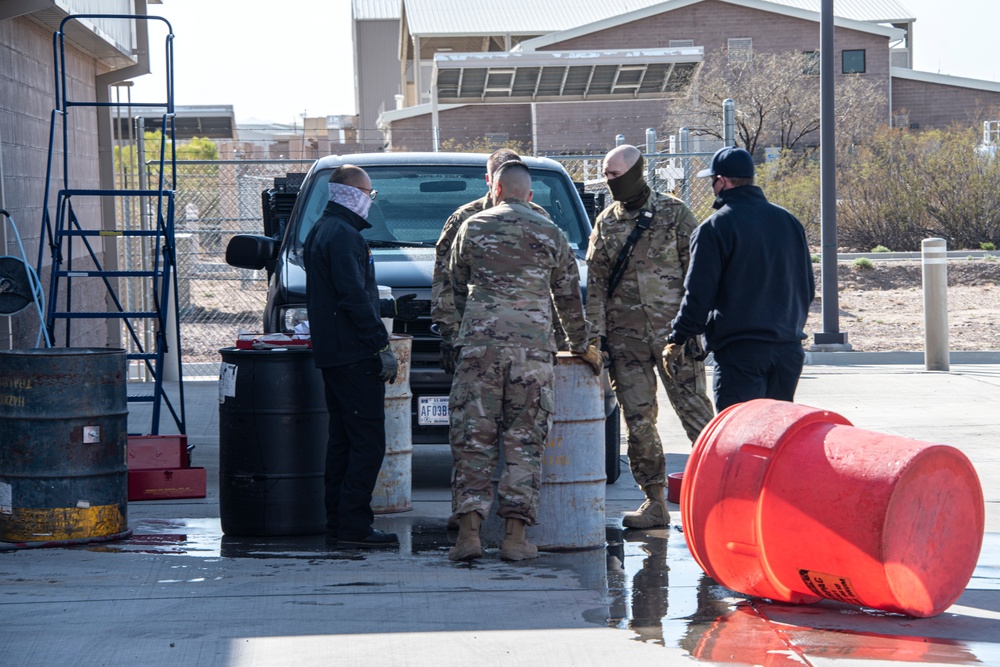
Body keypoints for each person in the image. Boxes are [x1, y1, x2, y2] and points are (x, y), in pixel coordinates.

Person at [446, 161, 601, 562]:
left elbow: (455, 285)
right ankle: (515, 539)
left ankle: (469, 536)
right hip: (532, 353)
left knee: (473, 439)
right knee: (524, 441)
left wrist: (467, 332)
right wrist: (582, 344)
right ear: (529, 196)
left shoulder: (472, 226)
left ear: (495, 189)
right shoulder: (550, 232)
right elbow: (569, 298)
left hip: (480, 349)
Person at [586, 144, 715, 530]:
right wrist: (597, 338)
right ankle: (654, 501)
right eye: (606, 175)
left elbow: (699, 274)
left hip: (674, 336)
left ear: (636, 171)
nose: (610, 182)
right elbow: (595, 285)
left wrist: (696, 327)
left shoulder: (674, 213)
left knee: (697, 416)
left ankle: (722, 498)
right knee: (639, 422)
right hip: (626, 341)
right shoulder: (606, 223)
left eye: (615, 174)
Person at [664, 146, 815, 411]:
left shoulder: (714, 227)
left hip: (741, 352)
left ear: (721, 181)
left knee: (740, 439)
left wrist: (679, 335)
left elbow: (699, 293)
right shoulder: (789, 222)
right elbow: (808, 287)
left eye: (712, 180)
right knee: (775, 437)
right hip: (788, 349)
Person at [302, 164, 400, 549]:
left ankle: (338, 525)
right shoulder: (343, 237)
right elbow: (353, 296)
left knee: (343, 442)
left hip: (335, 354)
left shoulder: (324, 231)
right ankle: (355, 527)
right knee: (367, 442)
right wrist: (379, 343)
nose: (370, 203)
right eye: (369, 195)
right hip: (353, 355)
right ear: (356, 195)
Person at [431, 148, 550, 373]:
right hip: (477, 337)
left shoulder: (539, 219)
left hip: (527, 335)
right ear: (489, 179)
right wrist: (449, 334)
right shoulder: (465, 219)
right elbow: (446, 278)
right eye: (497, 176)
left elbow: (552, 279)